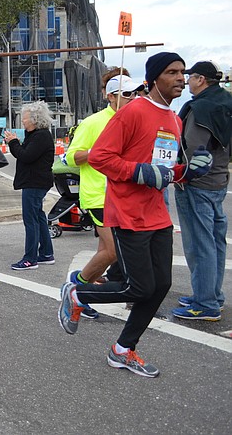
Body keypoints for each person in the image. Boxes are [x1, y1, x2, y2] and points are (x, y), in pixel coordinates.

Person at [59, 51, 212, 378]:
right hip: (128, 211)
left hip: (157, 213)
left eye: (182, 73)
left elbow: (166, 169)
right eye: (172, 72)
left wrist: (189, 171)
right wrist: (141, 173)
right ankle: (77, 291)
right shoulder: (133, 111)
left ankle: (122, 349)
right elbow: (100, 157)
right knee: (141, 287)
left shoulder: (174, 119)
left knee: (161, 285)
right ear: (154, 77)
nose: (180, 79)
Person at [65, 71, 144, 319]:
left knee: (107, 251)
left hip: (126, 195)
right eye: (126, 94)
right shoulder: (93, 122)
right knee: (112, 251)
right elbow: (70, 157)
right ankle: (77, 287)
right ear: (110, 96)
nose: (133, 98)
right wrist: (98, 152)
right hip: (99, 195)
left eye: (135, 92)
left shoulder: (136, 121)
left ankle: (82, 287)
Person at [173, 60, 232, 321]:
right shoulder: (226, 102)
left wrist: (181, 174)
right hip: (219, 179)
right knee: (215, 241)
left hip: (198, 183)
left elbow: (192, 149)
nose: (186, 81)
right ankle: (211, 295)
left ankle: (205, 303)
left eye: (190, 77)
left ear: (201, 79)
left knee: (200, 244)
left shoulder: (200, 108)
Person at [4, 101, 55, 270]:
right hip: (37, 182)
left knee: (31, 220)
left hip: (35, 182)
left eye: (25, 119)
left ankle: (30, 258)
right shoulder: (37, 135)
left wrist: (13, 142)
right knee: (38, 217)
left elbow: (25, 155)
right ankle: (46, 253)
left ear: (34, 119)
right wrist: (17, 142)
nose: (23, 122)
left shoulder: (41, 136)